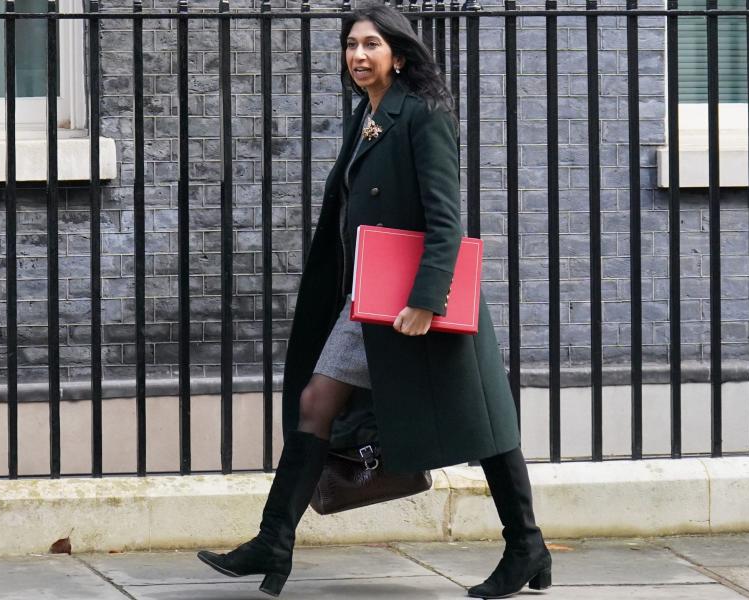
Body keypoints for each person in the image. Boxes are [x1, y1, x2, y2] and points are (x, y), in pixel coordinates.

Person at [197, 4, 551, 598]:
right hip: (370, 296)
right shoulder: (369, 113)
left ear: (399, 54)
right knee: (317, 400)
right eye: (351, 45)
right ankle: (273, 538)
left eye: (371, 45)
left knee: (484, 426)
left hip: (416, 298)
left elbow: (445, 217)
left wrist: (426, 299)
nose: (358, 55)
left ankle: (526, 547)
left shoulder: (423, 114)